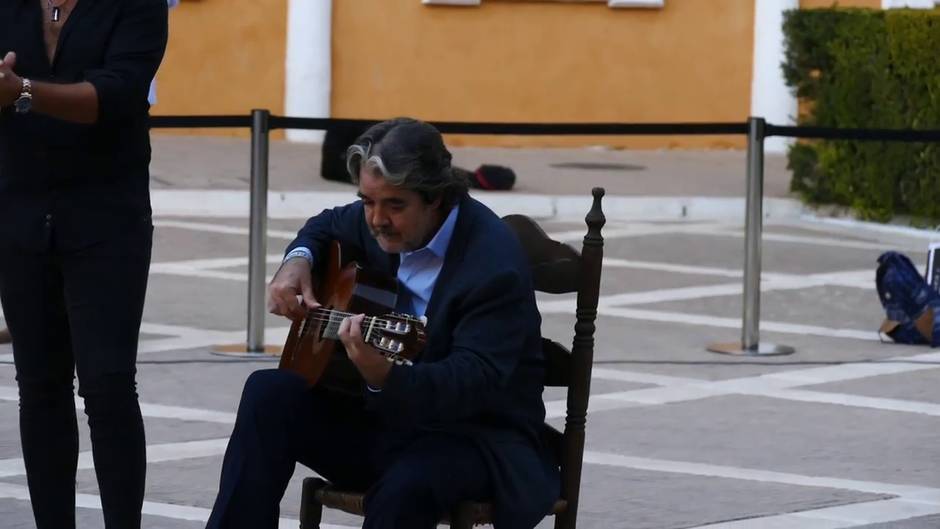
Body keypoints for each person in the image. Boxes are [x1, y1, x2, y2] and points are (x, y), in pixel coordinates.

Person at [206, 118, 559, 529]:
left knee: (406, 486)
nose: (375, 219)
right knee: (268, 395)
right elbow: (326, 223)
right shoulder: (377, 220)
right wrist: (296, 260)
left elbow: (472, 381)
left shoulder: (492, 264)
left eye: (394, 205)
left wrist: (384, 377)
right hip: (390, 426)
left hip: (474, 439)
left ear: (437, 199)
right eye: (368, 201)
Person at [0, 2, 168, 529]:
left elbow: (116, 94)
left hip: (107, 216)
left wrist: (22, 92)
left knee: (108, 384)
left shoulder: (136, 4)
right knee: (39, 386)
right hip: (18, 210)